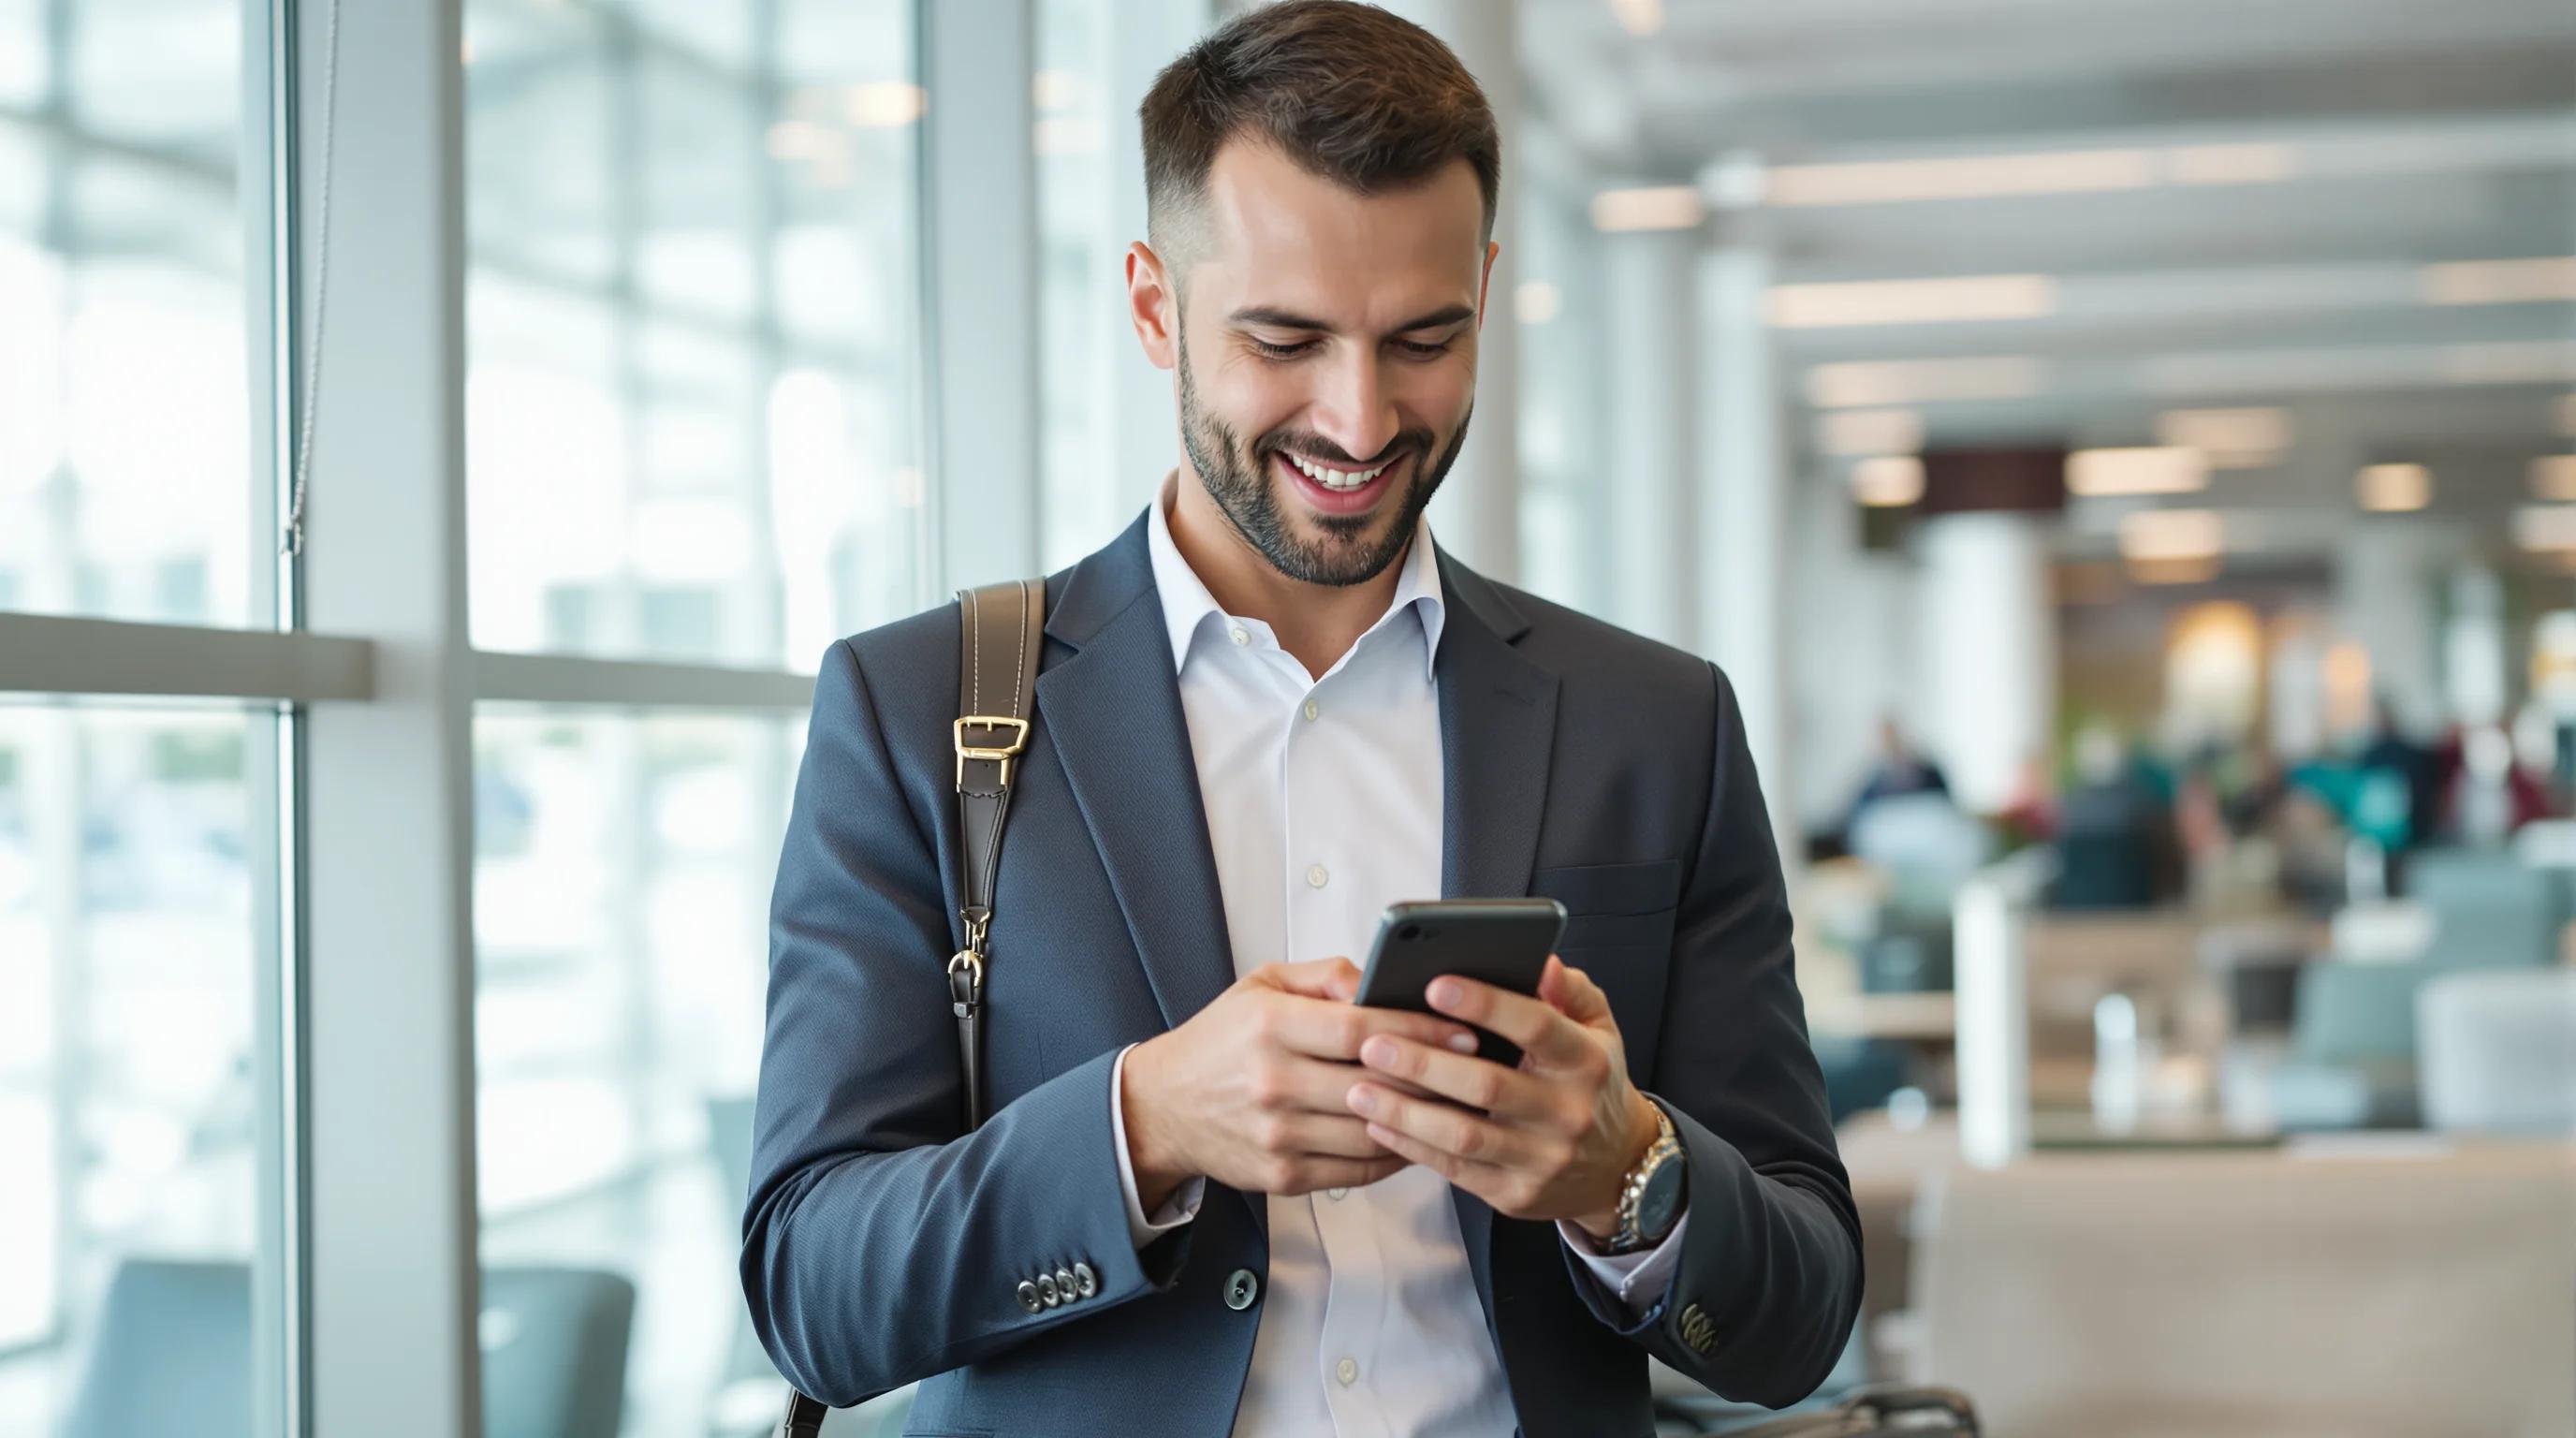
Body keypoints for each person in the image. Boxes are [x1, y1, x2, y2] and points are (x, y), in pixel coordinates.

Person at [739, 6, 1860, 1434]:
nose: (1359, 416)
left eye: (1423, 340)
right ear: (1155, 307)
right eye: (1285, 339)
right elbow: (809, 1289)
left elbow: (1804, 1316)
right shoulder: (924, 712)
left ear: (1487, 290)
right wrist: (1144, 1126)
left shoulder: (1655, 723)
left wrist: (1627, 1172)